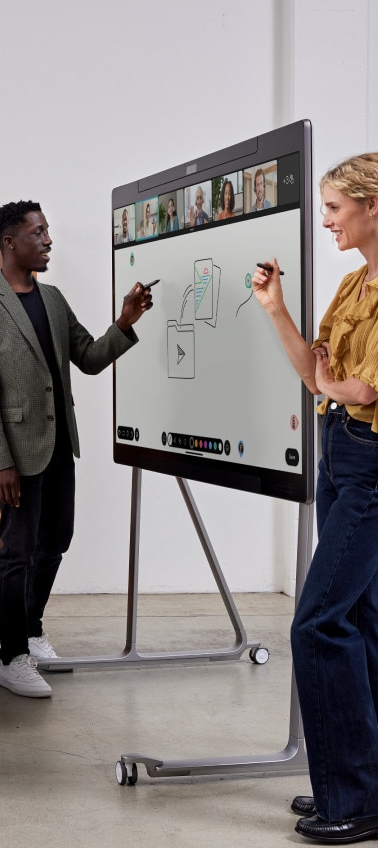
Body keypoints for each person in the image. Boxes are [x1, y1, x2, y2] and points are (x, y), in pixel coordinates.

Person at [0, 200, 152, 698]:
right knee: (17, 553)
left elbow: (88, 358)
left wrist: (124, 322)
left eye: (47, 231)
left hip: (60, 443)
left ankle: (31, 628)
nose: (48, 240)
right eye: (38, 232)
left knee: (57, 541)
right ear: (9, 242)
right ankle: (11, 658)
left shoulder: (54, 299)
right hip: (17, 456)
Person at [252, 153, 378, 844]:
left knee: (317, 624)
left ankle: (352, 798)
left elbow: (363, 389)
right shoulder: (356, 284)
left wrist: (336, 385)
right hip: (341, 450)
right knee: (360, 617)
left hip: (370, 463)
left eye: (334, 208)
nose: (326, 220)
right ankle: (365, 781)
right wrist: (278, 310)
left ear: (372, 205)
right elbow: (318, 374)